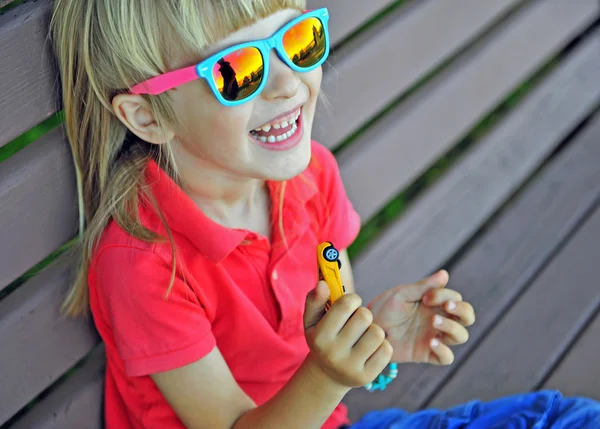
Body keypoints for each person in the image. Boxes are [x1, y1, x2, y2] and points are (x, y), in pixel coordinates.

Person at [49, 1, 600, 428]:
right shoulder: (144, 263)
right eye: (240, 71)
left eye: (298, 40)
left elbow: (334, 317)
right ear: (148, 116)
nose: (288, 82)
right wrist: (329, 375)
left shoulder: (310, 177)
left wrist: (371, 341)